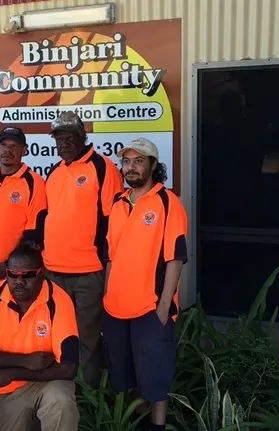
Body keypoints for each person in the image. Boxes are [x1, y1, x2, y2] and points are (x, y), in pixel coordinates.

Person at [102, 138, 188, 431]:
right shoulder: (118, 203)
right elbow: (111, 256)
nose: (131, 167)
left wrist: (164, 306)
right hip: (116, 307)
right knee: (125, 375)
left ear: (153, 165)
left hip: (150, 307)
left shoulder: (167, 202)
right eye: (127, 161)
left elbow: (174, 258)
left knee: (155, 375)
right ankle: (134, 422)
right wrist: (106, 297)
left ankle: (157, 426)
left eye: (139, 161)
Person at [42, 111, 123, 387]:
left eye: (69, 137)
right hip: (53, 271)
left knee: (87, 339)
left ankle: (87, 402)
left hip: (89, 271)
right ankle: (60, 393)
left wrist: (108, 264)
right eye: (58, 138)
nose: (63, 143)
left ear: (82, 136)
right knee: (59, 336)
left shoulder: (103, 168)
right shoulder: (54, 171)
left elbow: (114, 221)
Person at [0, 242, 80, 431]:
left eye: (28, 275)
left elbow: (68, 369)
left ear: (42, 273)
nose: (19, 281)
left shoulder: (59, 301)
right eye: (12, 275)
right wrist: (27, 360)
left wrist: (13, 372)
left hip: (49, 382)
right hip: (9, 390)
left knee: (61, 402)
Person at [0, 127, 47, 293]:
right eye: (3, 145)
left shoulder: (34, 182)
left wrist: (8, 265)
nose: (7, 150)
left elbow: (34, 235)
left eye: (14, 146)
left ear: (24, 150)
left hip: (18, 276)